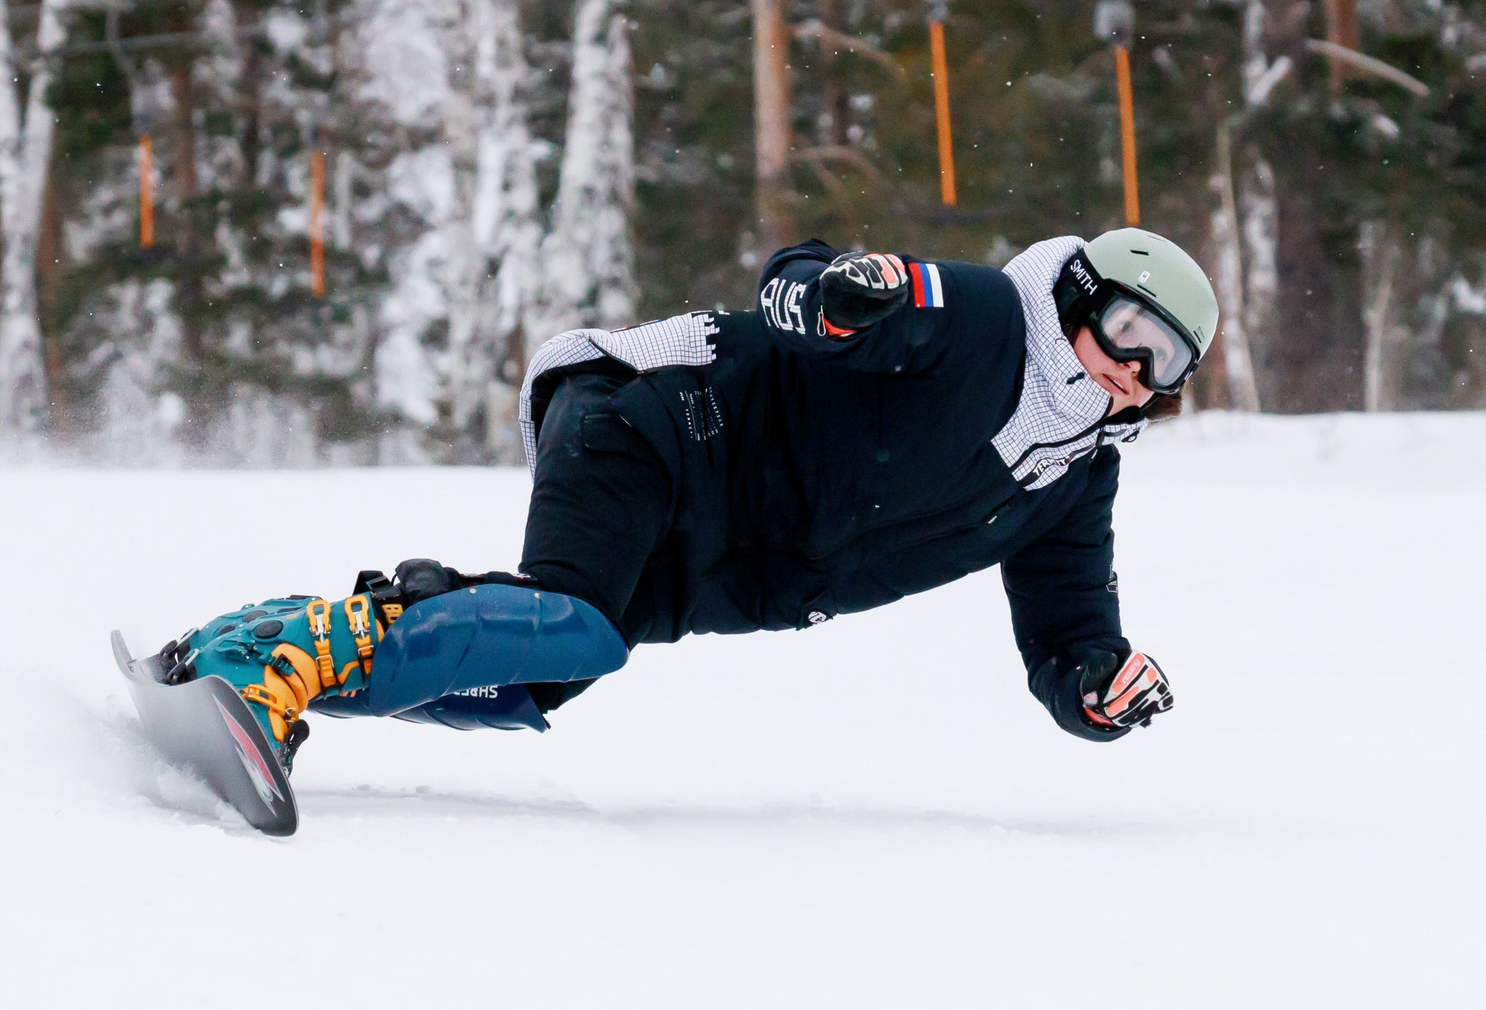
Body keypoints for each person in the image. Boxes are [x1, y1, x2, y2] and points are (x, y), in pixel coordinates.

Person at [150, 228, 1220, 768]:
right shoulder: (986, 317)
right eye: (1132, 330)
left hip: (718, 559)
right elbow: (804, 282)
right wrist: (838, 295)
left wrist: (1091, 682)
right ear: (1082, 296)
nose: (1138, 367)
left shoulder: (1073, 473)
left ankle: (254, 644)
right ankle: (266, 673)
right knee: (563, 623)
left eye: (1168, 360)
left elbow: (1067, 626)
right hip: (664, 417)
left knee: (534, 673)